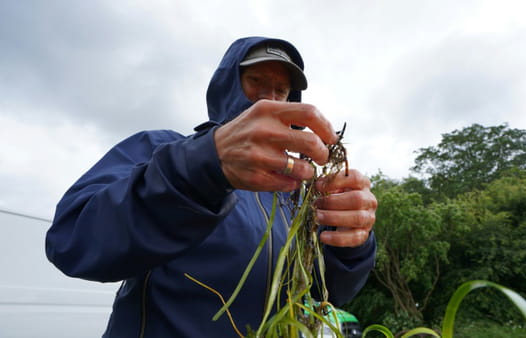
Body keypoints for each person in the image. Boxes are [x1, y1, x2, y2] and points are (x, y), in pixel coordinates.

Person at [46, 36, 377, 337]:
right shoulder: (161, 151)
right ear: (228, 85)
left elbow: (323, 292)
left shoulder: (295, 195)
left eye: (280, 90)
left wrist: (348, 240)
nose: (270, 98)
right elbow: (72, 240)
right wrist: (201, 169)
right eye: (256, 81)